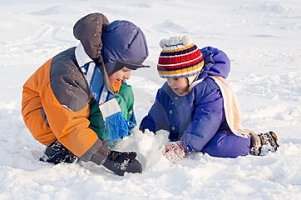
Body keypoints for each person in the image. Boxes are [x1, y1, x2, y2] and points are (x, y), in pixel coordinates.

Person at [21, 13, 149, 176]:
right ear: (110, 60)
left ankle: (102, 137)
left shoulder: (97, 62)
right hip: (46, 116)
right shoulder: (67, 77)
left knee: (124, 91)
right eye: (125, 69)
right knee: (82, 129)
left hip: (75, 105)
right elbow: (70, 125)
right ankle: (64, 146)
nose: (128, 75)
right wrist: (108, 157)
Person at [139, 35, 279, 163]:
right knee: (168, 138)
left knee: (216, 147)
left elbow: (206, 120)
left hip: (215, 130)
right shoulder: (168, 89)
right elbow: (157, 113)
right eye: (167, 78)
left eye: (175, 78)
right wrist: (143, 134)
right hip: (188, 130)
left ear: (190, 74)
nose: (170, 83)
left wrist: (184, 145)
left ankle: (255, 142)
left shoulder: (209, 89)